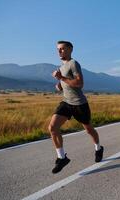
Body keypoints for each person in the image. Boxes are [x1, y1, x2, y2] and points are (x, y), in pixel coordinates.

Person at [49, 41, 104, 174]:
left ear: (70, 49)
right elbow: (66, 81)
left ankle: (98, 148)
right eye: (58, 49)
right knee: (52, 127)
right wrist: (60, 85)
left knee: (89, 130)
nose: (59, 52)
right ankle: (62, 158)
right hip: (66, 103)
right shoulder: (61, 66)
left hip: (79, 104)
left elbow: (79, 83)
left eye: (62, 49)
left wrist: (61, 77)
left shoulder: (74, 63)